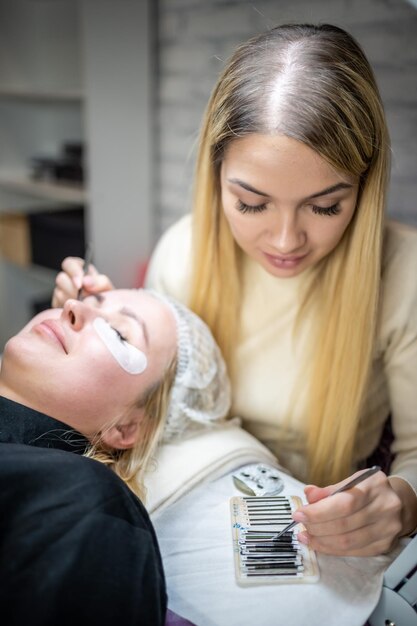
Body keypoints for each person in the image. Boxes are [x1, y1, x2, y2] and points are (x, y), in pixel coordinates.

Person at [52, 23, 417, 558]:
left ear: (365, 187)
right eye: (251, 203)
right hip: (196, 524)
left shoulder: (404, 273)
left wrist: (401, 504)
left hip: (327, 549)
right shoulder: (183, 251)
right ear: (215, 175)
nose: (287, 240)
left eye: (325, 206)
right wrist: (100, 340)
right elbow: (155, 418)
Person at [0, 287, 230, 626]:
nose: (73, 307)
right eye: (84, 299)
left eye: (121, 334)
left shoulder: (84, 499)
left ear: (127, 428)